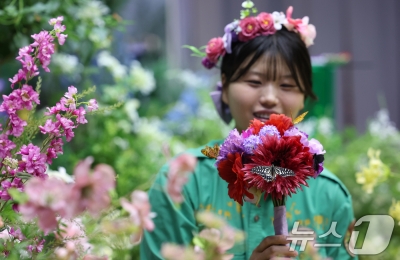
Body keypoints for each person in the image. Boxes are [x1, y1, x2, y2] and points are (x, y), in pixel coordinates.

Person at [140, 4, 357, 260]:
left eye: (287, 85)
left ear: (305, 97)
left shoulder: (330, 195)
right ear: (225, 86)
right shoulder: (183, 183)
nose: (269, 98)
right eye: (254, 82)